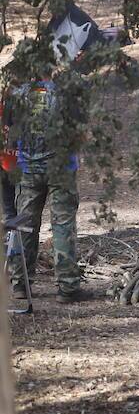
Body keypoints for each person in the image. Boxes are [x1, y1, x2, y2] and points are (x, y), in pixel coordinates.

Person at [6, 28, 88, 302]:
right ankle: (67, 286)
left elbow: (10, 130)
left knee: (25, 226)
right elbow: (79, 131)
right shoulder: (65, 93)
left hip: (27, 170)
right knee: (62, 225)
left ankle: (20, 284)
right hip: (61, 168)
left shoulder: (16, 95)